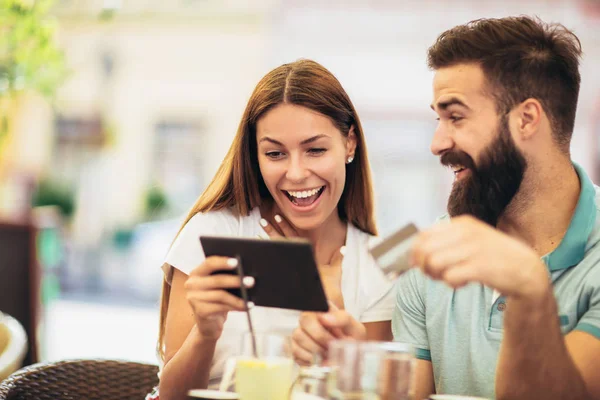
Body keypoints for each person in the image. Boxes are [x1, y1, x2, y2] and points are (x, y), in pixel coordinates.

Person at [291, 16, 600, 400]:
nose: (437, 143)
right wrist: (357, 365)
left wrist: (530, 292)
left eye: (455, 117)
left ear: (526, 119)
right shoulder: (430, 257)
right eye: (438, 118)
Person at [154, 59, 395, 400]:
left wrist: (349, 360)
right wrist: (206, 333)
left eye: (315, 150)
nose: (296, 173)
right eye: (275, 153)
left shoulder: (378, 263)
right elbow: (170, 397)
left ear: (350, 144)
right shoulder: (213, 235)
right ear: (255, 156)